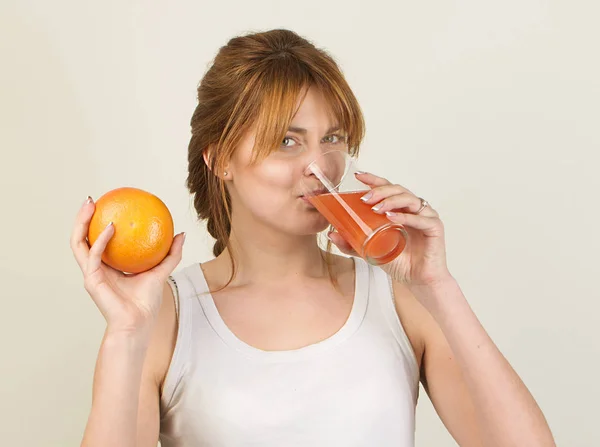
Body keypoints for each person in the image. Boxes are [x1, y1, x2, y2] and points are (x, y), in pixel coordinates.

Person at [71, 29, 555, 447]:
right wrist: (125, 336)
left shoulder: (399, 298)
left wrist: (438, 286)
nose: (319, 166)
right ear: (219, 159)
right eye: (287, 140)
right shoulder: (166, 318)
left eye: (333, 138)